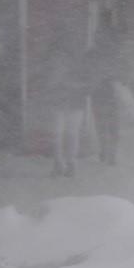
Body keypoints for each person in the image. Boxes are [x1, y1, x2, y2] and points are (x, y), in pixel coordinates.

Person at [43, 24, 89, 177]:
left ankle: (60, 164)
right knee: (71, 133)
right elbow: (85, 80)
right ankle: (70, 164)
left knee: (58, 133)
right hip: (74, 100)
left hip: (59, 99)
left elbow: (50, 80)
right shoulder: (79, 58)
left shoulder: (52, 57)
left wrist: (59, 83)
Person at [86, 17, 125, 166]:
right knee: (110, 124)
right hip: (108, 91)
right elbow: (122, 71)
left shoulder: (93, 53)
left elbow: (88, 70)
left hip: (101, 91)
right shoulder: (114, 53)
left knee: (103, 124)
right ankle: (109, 152)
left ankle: (106, 150)